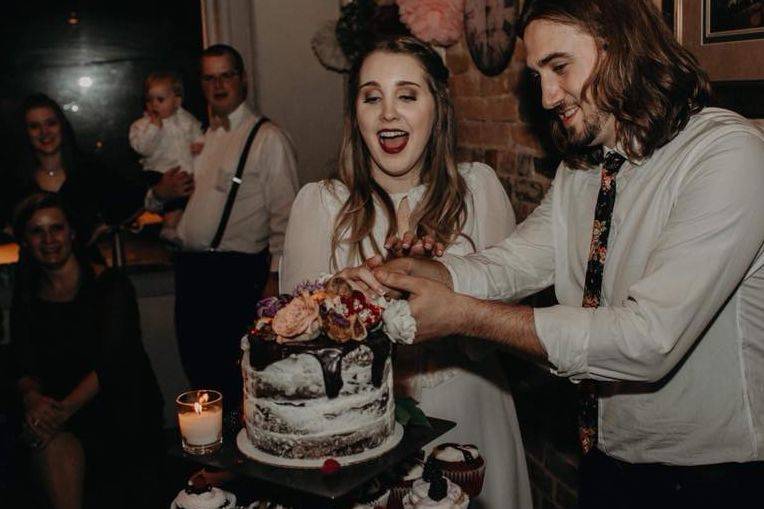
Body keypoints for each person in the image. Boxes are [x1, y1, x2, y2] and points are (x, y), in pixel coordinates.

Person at [350, 1, 764, 508]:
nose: (547, 96)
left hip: (713, 480)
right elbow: (515, 262)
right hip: (606, 462)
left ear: (620, 49)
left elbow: (648, 340)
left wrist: (464, 316)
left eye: (559, 68)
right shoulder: (583, 168)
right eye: (537, 75)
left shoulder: (727, 155)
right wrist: (427, 273)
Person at [281, 36, 532, 509]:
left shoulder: (478, 192)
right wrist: (336, 305)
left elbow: (503, 335)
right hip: (361, 433)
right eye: (372, 97)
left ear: (437, 108)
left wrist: (441, 281)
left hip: (471, 413)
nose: (388, 114)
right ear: (355, 114)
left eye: (407, 96)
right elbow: (294, 359)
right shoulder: (319, 206)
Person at [146, 44, 299, 406]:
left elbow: (287, 219)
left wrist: (274, 281)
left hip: (236, 277)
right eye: (209, 77)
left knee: (238, 385)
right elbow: (178, 197)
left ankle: (237, 461)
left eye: (226, 74)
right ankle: (215, 461)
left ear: (242, 79)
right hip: (193, 274)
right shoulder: (199, 139)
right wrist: (160, 193)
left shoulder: (267, 138)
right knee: (200, 376)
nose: (218, 84)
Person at [8, 192, 164, 509]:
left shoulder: (111, 286)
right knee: (44, 442)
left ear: (72, 233)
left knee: (51, 439)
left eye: (57, 228)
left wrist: (60, 412)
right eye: (37, 231)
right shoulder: (26, 292)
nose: (49, 239)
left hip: (115, 406)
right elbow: (22, 360)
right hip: (55, 408)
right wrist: (33, 400)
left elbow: (114, 363)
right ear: (25, 241)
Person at [3, 94, 144, 246]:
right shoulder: (15, 181)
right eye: (35, 126)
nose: (44, 132)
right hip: (32, 269)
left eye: (51, 123)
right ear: (25, 132)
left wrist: (103, 227)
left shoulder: (89, 171)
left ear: (62, 126)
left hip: (87, 265)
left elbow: (132, 198)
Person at [129, 71, 203, 241]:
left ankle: (175, 229)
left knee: (186, 202)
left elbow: (196, 132)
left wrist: (200, 145)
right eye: (150, 99)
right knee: (174, 201)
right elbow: (143, 149)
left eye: (160, 99)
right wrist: (154, 128)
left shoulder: (185, 119)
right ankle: (168, 227)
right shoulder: (141, 126)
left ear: (176, 101)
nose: (154, 104)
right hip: (157, 172)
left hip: (184, 171)